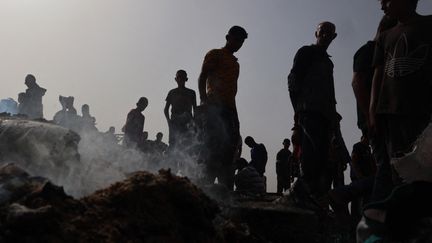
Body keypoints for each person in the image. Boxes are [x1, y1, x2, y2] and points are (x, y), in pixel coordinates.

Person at [365, 0, 432, 230]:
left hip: (423, 112)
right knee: (398, 173)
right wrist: (373, 109)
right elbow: (377, 75)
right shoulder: (385, 37)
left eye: (386, 0)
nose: (382, 5)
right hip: (390, 113)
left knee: (425, 172)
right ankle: (403, 227)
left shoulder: (429, 25)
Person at [288, 22, 338, 200]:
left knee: (322, 160)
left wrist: (333, 115)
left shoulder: (328, 62)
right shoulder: (306, 52)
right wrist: (298, 111)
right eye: (322, 31)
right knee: (309, 158)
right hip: (308, 112)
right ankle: (300, 197)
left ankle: (313, 200)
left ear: (334, 36)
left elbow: (329, 91)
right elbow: (293, 81)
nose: (325, 35)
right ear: (315, 33)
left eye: (329, 32)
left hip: (325, 115)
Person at [198, 25, 248, 190]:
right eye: (236, 40)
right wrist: (204, 101)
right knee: (213, 146)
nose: (239, 44)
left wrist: (235, 116)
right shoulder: (215, 54)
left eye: (241, 42)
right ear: (228, 37)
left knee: (231, 146)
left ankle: (224, 189)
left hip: (230, 109)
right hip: (214, 106)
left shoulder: (236, 64)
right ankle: (206, 187)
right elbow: (203, 76)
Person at [352, 16, 398, 137]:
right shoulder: (367, 51)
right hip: (376, 120)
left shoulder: (388, 51)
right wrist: (369, 116)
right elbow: (357, 83)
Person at [164, 70, 197, 147]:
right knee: (174, 145)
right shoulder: (172, 92)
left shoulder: (191, 92)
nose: (180, 79)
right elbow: (166, 109)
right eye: (179, 77)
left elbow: (195, 109)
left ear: (186, 79)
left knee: (188, 146)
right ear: (175, 79)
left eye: (182, 77)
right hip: (175, 122)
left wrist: (194, 123)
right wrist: (169, 122)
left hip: (188, 122)